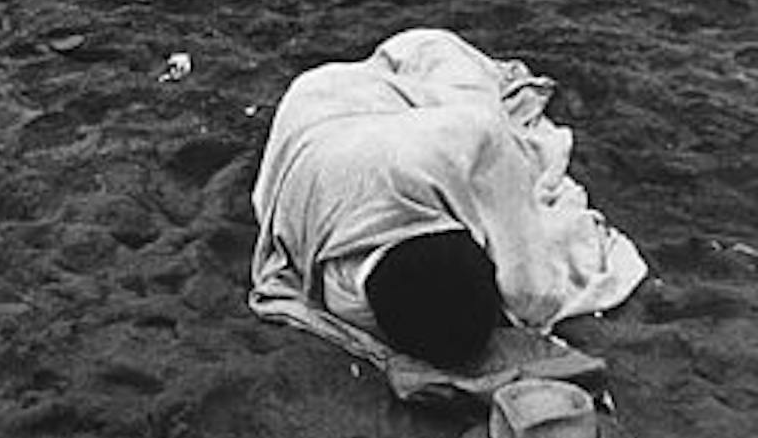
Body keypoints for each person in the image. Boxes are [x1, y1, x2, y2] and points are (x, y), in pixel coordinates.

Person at [250, 27, 647, 373]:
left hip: (337, 99)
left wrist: (524, 292)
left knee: (443, 59)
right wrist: (529, 303)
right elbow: (527, 284)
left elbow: (521, 261)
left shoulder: (462, 137)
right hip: (325, 111)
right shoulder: (346, 296)